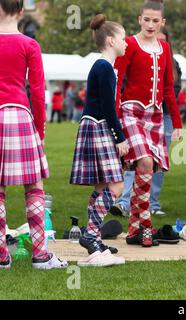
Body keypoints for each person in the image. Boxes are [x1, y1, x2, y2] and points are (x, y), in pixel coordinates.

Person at [0, 0, 67, 270]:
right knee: (35, 187)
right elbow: (38, 92)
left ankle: (1, 256)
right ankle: (40, 254)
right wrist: (40, 129)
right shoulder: (30, 45)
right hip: (20, 114)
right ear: (21, 11)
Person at [114, 0, 182, 247]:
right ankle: (146, 226)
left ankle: (133, 230)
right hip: (131, 111)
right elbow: (117, 80)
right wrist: (114, 120)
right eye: (147, 19)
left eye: (156, 20)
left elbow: (167, 89)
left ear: (162, 22)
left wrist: (177, 122)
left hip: (154, 116)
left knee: (148, 169)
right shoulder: (130, 44)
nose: (151, 24)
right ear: (139, 19)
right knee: (144, 161)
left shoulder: (164, 48)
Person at [70, 14, 129, 267]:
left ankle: (93, 237)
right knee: (116, 186)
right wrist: (120, 138)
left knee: (101, 187)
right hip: (99, 126)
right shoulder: (105, 67)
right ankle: (91, 236)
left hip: (92, 125)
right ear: (112, 40)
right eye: (124, 39)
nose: (126, 43)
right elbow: (108, 107)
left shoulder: (103, 66)